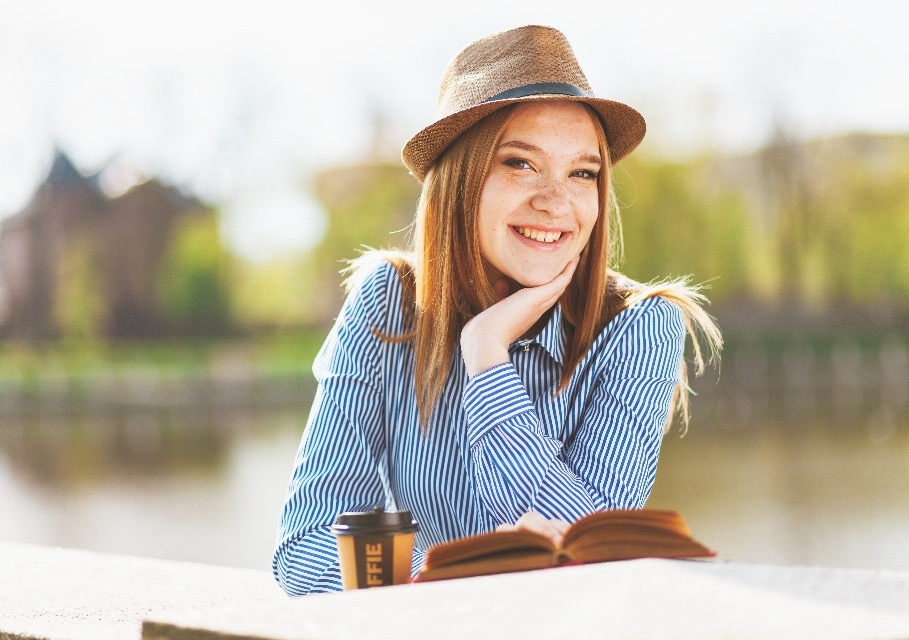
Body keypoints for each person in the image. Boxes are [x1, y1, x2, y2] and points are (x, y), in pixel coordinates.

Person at [272, 25, 722, 596]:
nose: (556, 201)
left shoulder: (640, 325)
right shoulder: (388, 302)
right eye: (521, 164)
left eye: (582, 172)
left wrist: (487, 356)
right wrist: (441, 575)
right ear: (460, 180)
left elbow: (582, 548)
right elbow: (305, 546)